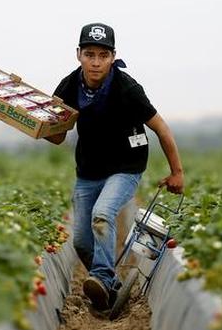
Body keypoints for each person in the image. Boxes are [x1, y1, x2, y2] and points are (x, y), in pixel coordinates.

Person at [45, 22, 185, 312]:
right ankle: (108, 288)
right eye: (89, 54)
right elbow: (58, 138)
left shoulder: (127, 88)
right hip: (89, 170)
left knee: (103, 214)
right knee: (82, 241)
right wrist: (43, 123)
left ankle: (102, 277)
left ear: (113, 57)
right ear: (79, 55)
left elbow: (162, 129)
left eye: (102, 55)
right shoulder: (69, 86)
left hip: (126, 165)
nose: (96, 62)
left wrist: (177, 172)